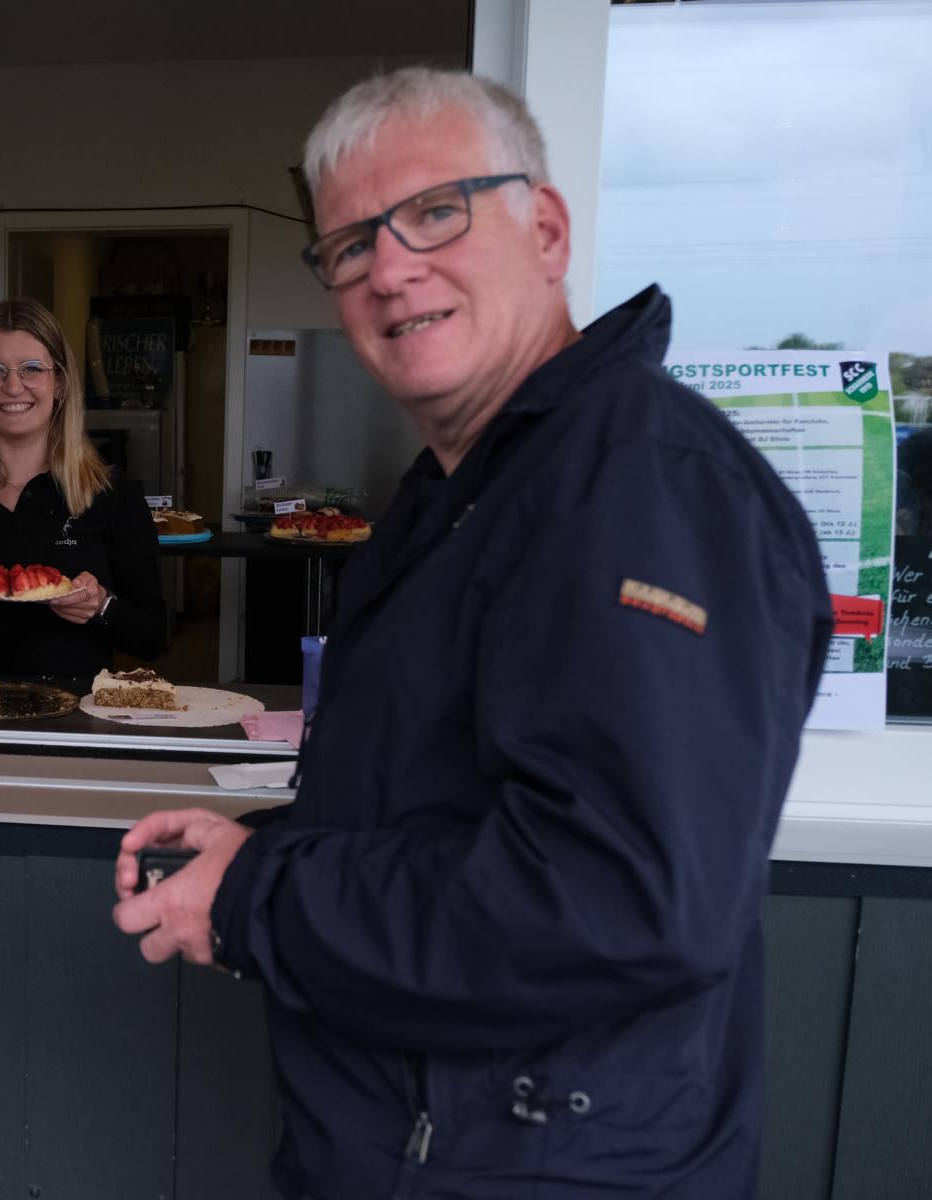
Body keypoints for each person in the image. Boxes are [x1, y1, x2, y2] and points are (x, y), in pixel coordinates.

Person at [112, 68, 832, 1199]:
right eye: (350, 244)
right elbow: (450, 807)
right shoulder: (465, 496)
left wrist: (260, 897)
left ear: (546, 231)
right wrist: (263, 849)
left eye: (437, 212)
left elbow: (617, 898)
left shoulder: (644, 485)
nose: (391, 268)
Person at [0, 299, 166, 676]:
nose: (13, 386)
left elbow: (153, 638)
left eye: (32, 369)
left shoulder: (112, 495)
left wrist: (102, 605)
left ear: (61, 384)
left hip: (76, 711)